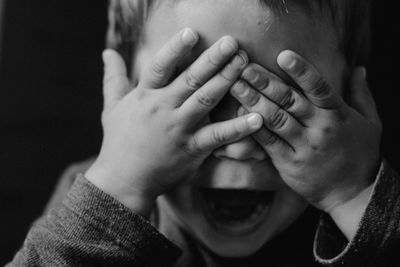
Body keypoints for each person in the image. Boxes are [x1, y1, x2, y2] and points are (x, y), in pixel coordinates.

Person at [8, 0, 400, 266]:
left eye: (282, 99)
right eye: (196, 94)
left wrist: (352, 197)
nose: (240, 144)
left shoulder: (365, 197)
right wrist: (119, 187)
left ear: (350, 90)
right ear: (126, 84)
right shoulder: (97, 196)